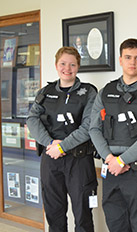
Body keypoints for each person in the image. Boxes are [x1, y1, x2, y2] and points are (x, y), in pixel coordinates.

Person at [89, 38, 137, 232]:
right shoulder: (106, 92)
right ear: (120, 60)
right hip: (111, 169)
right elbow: (94, 129)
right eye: (128, 57)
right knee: (115, 224)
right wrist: (109, 158)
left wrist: (122, 160)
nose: (133, 62)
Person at [26, 47, 98, 232]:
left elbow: (89, 127)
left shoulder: (89, 92)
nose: (67, 68)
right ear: (56, 65)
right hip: (51, 159)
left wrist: (63, 146)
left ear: (78, 66)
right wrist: (50, 143)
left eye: (72, 64)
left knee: (83, 215)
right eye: (63, 64)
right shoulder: (45, 92)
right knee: (54, 213)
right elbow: (32, 119)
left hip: (79, 161)